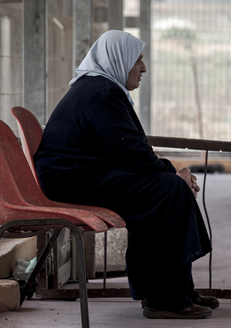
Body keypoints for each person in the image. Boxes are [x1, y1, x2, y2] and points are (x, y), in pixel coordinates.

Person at [34, 30, 216, 319]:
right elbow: (133, 153)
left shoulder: (98, 88)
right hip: (73, 181)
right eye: (138, 59)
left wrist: (171, 173)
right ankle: (165, 299)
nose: (143, 68)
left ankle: (173, 292)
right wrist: (174, 173)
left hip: (77, 176)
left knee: (167, 190)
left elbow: (130, 151)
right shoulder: (102, 93)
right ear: (118, 59)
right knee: (170, 190)